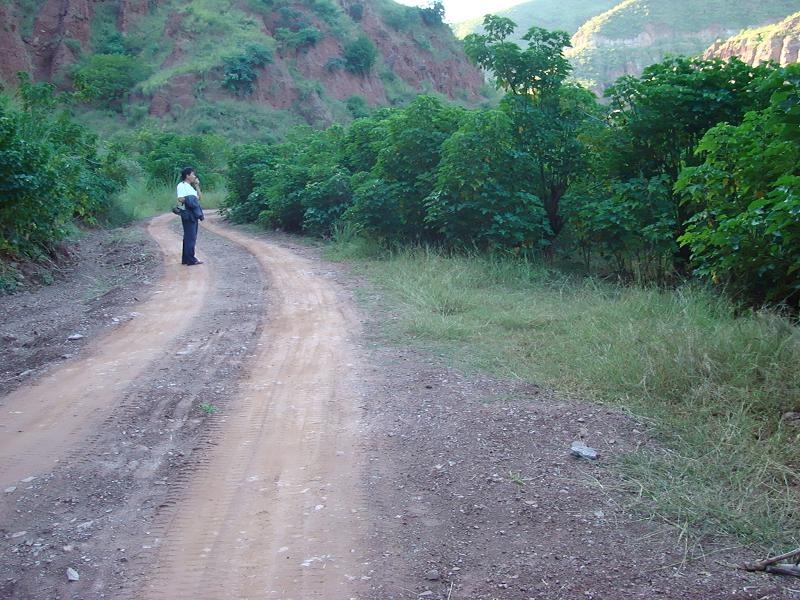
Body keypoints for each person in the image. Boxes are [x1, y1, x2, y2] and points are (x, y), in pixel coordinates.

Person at [176, 167, 205, 266]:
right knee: (190, 236)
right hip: (188, 212)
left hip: (193, 213)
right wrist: (192, 199)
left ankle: (186, 258)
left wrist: (197, 185)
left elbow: (200, 198)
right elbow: (180, 199)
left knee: (190, 236)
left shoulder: (190, 187)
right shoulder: (181, 185)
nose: (194, 176)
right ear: (187, 176)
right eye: (192, 174)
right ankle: (191, 259)